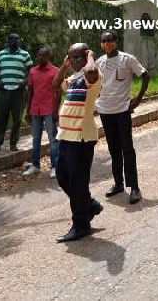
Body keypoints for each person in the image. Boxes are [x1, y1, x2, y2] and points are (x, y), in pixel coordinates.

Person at [53, 44, 104, 243]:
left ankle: (81, 225)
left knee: (77, 182)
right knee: (62, 176)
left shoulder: (93, 77)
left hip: (82, 139)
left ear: (85, 57)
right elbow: (55, 85)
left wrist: (90, 57)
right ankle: (89, 205)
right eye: (71, 57)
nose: (74, 61)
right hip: (66, 136)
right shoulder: (73, 79)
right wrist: (64, 66)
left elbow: (91, 71)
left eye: (77, 58)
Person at [96, 30, 150, 204]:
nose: (107, 44)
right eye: (104, 41)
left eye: (110, 40)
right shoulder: (99, 62)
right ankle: (118, 183)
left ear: (116, 41)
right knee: (113, 149)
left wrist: (138, 98)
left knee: (127, 148)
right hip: (105, 111)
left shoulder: (127, 59)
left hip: (122, 110)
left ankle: (134, 187)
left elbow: (145, 75)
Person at [0, 33, 33, 154]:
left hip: (19, 91)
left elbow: (30, 71)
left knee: (17, 119)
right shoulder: (1, 54)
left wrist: (24, 83)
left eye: (16, 39)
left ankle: (13, 144)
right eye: (11, 39)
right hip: (3, 91)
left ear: (20, 41)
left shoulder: (25, 54)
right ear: (7, 41)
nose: (14, 41)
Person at [23, 47, 59, 178]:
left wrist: (56, 110)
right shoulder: (32, 71)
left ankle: (55, 166)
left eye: (43, 55)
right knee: (35, 138)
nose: (40, 58)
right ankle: (36, 165)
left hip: (49, 109)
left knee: (53, 138)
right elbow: (30, 92)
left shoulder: (55, 71)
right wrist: (27, 111)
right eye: (39, 55)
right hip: (35, 109)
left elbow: (58, 93)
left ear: (48, 57)